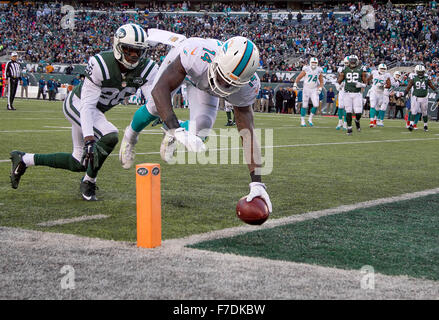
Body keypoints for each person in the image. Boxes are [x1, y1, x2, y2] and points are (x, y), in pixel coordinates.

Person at [119, 36, 272, 213]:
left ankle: (173, 134)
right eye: (223, 77)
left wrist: (257, 182)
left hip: (206, 76)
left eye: (231, 83)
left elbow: (247, 132)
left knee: (203, 127)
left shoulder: (248, 87)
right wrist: (175, 128)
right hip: (192, 69)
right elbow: (159, 90)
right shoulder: (196, 53)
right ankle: (130, 137)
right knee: (155, 107)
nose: (223, 85)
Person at [9, 24, 157, 201]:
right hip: (78, 104)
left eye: (138, 51)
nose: (134, 56)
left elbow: (153, 100)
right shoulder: (101, 64)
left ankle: (25, 159)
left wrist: (163, 116)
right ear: (118, 46)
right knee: (110, 135)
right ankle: (89, 182)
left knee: (78, 162)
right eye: (129, 49)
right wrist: (89, 139)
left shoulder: (148, 69)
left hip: (95, 111)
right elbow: (87, 106)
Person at [337, 55, 368, 135]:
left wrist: (361, 85)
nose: (353, 62)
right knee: (348, 111)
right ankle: (349, 128)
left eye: (354, 60)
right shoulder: (344, 69)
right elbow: (339, 80)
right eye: (352, 60)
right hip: (347, 93)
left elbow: (366, 83)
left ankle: (357, 120)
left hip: (357, 93)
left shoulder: (361, 69)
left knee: (358, 112)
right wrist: (338, 84)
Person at [404, 65, 438, 132]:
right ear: (416, 72)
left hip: (424, 97)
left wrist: (435, 90)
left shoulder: (426, 78)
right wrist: (406, 91)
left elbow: (431, 85)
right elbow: (409, 86)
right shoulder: (414, 78)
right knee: (413, 111)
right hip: (416, 97)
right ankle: (411, 124)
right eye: (419, 72)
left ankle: (425, 125)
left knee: (424, 112)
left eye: (421, 72)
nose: (420, 73)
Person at [293, 57, 324, 127]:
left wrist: (320, 88)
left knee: (316, 105)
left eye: (315, 63)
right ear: (310, 62)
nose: (314, 64)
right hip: (306, 89)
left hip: (314, 89)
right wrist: (295, 84)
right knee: (304, 105)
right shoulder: (306, 69)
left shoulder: (319, 70)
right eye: (313, 62)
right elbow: (298, 77)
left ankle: (310, 118)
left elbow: (321, 81)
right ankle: (302, 120)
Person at [335, 57, 349, 130]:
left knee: (347, 107)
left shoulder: (355, 70)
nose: (347, 64)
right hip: (342, 90)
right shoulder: (341, 69)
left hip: (349, 90)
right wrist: (338, 85)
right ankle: (340, 122)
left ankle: (345, 123)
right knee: (340, 106)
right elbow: (338, 78)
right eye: (346, 63)